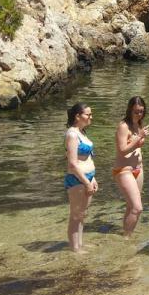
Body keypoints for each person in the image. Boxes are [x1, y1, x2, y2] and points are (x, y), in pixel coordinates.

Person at [113, 96, 149, 237]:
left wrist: (140, 139)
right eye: (136, 111)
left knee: (131, 205)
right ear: (129, 110)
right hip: (124, 170)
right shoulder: (123, 126)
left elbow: (135, 146)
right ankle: (126, 239)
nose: (139, 114)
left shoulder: (138, 124)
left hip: (138, 169)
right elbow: (122, 150)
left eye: (141, 111)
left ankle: (127, 233)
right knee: (137, 207)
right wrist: (138, 137)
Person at [64, 103, 98, 253]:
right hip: (77, 179)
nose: (91, 117)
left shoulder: (82, 132)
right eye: (88, 114)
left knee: (82, 214)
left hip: (88, 178)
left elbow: (87, 159)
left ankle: (80, 244)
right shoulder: (72, 134)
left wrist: (93, 179)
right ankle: (74, 248)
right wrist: (86, 182)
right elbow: (72, 163)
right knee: (76, 214)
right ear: (78, 116)